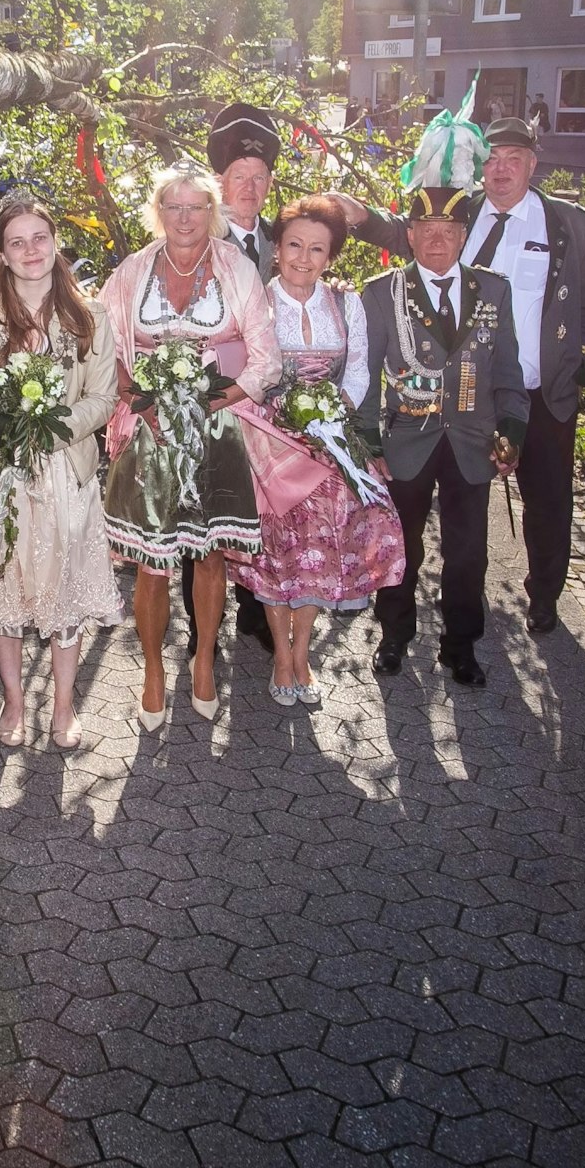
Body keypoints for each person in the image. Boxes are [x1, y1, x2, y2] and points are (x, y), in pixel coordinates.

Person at [336, 117, 585, 634]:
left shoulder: (572, 225)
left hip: (541, 389)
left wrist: (583, 368)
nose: (501, 170)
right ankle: (436, 619)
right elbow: (412, 233)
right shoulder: (464, 213)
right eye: (492, 160)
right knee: (462, 519)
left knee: (549, 499)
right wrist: (360, 215)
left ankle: (545, 595)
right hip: (467, 396)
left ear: (533, 164)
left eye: (514, 160)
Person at [0, 193, 121, 748]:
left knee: (61, 588)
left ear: (56, 240)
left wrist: (51, 423)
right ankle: (14, 703)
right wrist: (13, 421)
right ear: (1, 253)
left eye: (39, 237)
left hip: (64, 470)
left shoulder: (89, 315)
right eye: (16, 242)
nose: (30, 250)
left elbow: (104, 397)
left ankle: (63, 706)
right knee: (3, 586)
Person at [102, 162, 282, 729]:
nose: (185, 218)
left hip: (216, 429)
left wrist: (212, 402)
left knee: (209, 557)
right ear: (158, 212)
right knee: (154, 564)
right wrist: (142, 402)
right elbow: (104, 349)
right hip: (149, 431)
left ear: (214, 212)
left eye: (196, 207)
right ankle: (153, 671)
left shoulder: (237, 269)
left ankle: (204, 661)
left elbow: (266, 358)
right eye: (174, 207)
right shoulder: (132, 272)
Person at [226, 195, 405, 704]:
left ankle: (301, 654)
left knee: (318, 555)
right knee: (277, 554)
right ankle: (281, 658)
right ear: (276, 249)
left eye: (317, 249)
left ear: (331, 256)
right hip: (269, 443)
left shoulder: (347, 303)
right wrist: (286, 414)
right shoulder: (255, 301)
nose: (304, 259)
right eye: (294, 246)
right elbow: (244, 369)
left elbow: (359, 371)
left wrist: (326, 413)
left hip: (327, 441)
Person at [357, 185, 529, 687]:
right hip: (407, 439)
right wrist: (369, 444)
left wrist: (512, 431)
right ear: (409, 236)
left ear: (462, 236)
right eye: (426, 231)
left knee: (469, 550)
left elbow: (508, 371)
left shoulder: (493, 291)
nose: (437, 241)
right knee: (401, 547)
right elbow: (366, 377)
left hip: (472, 442)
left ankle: (460, 645)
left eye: (448, 232)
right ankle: (394, 637)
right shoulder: (381, 293)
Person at [204, 102, 289, 656]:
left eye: (259, 179)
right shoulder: (199, 237)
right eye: (240, 178)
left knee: (262, 508)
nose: (250, 188)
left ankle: (255, 612)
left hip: (266, 397)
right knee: (210, 512)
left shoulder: (283, 241)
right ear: (221, 181)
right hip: (215, 397)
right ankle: (200, 625)